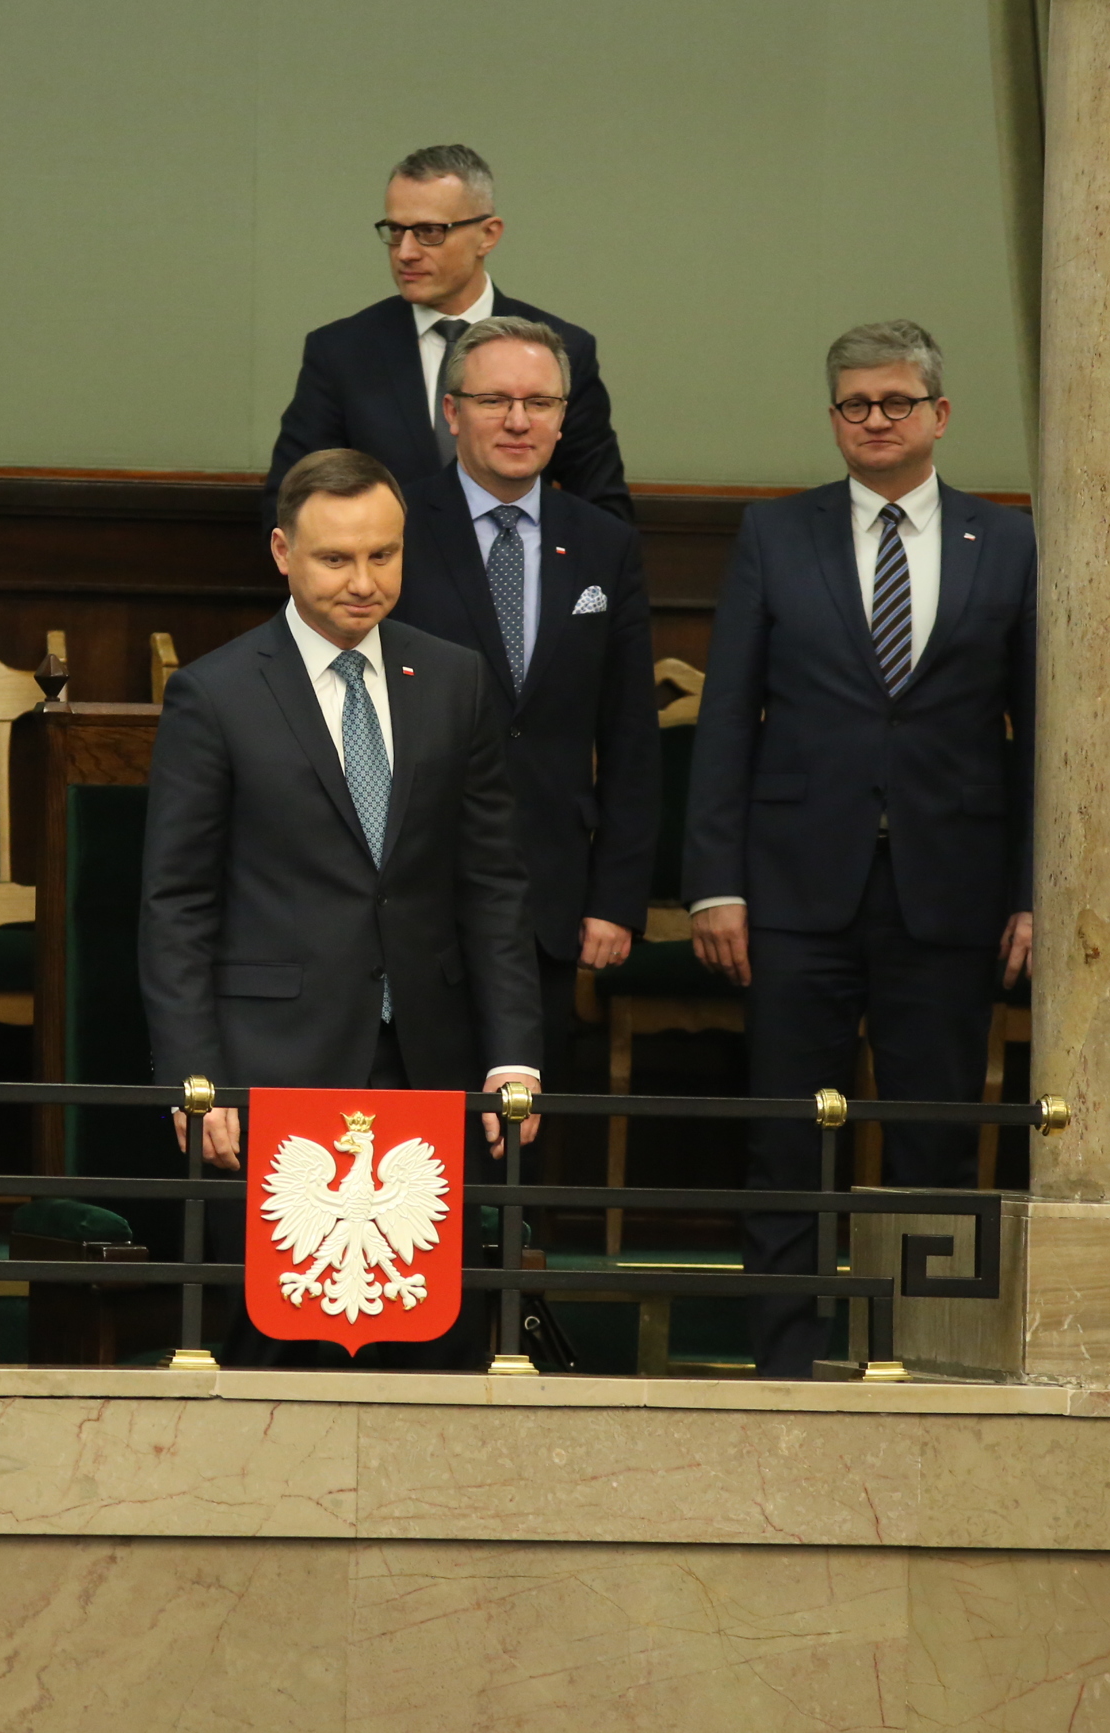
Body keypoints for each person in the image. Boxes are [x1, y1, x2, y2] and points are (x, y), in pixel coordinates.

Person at [680, 320, 1036, 1380]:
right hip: (792, 890)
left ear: (938, 414)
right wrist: (712, 883)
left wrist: (1029, 892)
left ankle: (931, 1359)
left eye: (893, 402)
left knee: (933, 1140)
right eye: (852, 404)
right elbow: (726, 717)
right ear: (831, 415)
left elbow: (1039, 733)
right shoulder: (773, 535)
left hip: (950, 889)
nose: (872, 420)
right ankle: (785, 1364)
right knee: (788, 1140)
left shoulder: (1006, 540)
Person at [140, 447, 543, 1369]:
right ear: (283, 552)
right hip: (275, 1061)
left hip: (429, 1058)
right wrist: (195, 1076)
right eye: (336, 559)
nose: (364, 582)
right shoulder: (217, 692)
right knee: (285, 1336)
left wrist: (513, 1052)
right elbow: (177, 902)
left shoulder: (454, 679)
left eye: (384, 556)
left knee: (424, 1329)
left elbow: (492, 883)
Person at [392, 315, 660, 1098]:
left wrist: (615, 900)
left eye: (539, 402)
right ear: (452, 411)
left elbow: (631, 735)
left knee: (525, 1126)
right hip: (412, 880)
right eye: (495, 400)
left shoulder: (604, 544)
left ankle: (518, 1232)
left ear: (564, 415)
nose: (518, 421)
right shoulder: (397, 526)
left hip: (550, 891)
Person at [263, 145, 630, 528]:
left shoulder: (560, 350)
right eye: (396, 231)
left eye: (429, 232)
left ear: (488, 235)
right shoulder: (342, 352)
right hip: (387, 583)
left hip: (513, 578)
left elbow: (604, 514)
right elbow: (290, 506)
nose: (405, 252)